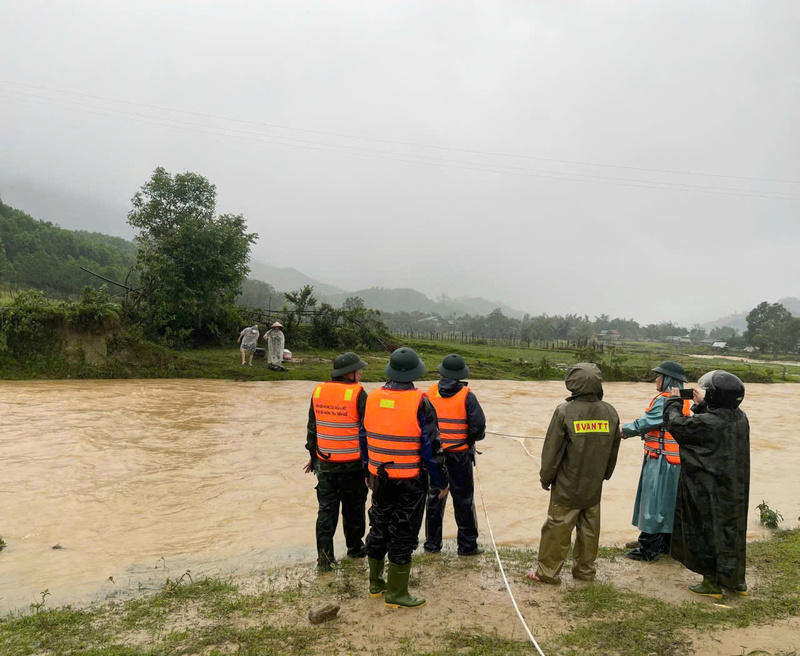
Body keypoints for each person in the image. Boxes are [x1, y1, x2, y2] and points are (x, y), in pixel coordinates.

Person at [362, 347, 449, 609]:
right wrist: (441, 481)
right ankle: (397, 593)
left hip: (379, 476)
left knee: (378, 526)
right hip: (409, 480)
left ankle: (376, 584)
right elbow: (431, 447)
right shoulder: (420, 401)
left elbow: (363, 436)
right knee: (403, 532)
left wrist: (368, 468)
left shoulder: (373, 397)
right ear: (416, 372)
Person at [527, 363, 622, 584]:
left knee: (557, 529)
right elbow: (613, 450)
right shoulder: (610, 412)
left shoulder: (564, 412)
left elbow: (552, 451)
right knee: (590, 529)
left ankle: (548, 573)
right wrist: (605, 475)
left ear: (572, 384)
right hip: (594, 484)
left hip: (567, 485)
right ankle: (584, 571)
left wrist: (545, 477)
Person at [664, 370, 750, 599]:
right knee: (732, 532)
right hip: (733, 488)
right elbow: (713, 424)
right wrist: (702, 405)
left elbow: (678, 426)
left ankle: (711, 583)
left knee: (706, 530)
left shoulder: (710, 422)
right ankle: (736, 581)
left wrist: (673, 401)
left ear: (715, 396)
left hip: (708, 488)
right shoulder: (740, 417)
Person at [304, 352, 370, 571]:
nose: (361, 373)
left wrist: (312, 457)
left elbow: (312, 426)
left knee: (326, 510)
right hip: (353, 464)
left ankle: (324, 559)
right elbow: (367, 430)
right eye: (358, 370)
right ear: (349, 373)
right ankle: (355, 549)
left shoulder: (318, 391)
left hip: (325, 463)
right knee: (354, 508)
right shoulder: (358, 393)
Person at [621, 361, 690, 562]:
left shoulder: (664, 400)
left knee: (653, 503)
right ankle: (665, 544)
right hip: (674, 461)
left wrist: (623, 431)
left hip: (660, 461)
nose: (656, 379)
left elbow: (646, 422)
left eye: (658, 377)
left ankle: (649, 548)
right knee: (668, 505)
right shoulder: (681, 400)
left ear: (667, 380)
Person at [423, 353, 486, 556]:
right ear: (460, 374)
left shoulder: (430, 392)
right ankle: (467, 547)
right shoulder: (467, 395)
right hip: (459, 456)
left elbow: (422, 424)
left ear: (442, 372)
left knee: (434, 498)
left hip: (435, 456)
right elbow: (479, 428)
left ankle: (432, 545)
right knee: (464, 500)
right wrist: (470, 439)